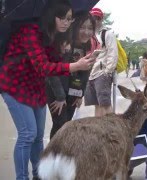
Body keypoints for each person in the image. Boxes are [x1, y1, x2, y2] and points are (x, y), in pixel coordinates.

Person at [0, 1, 95, 179]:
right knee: (28, 134)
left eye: (69, 18)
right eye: (63, 18)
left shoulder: (50, 35)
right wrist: (75, 65)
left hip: (35, 88)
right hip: (14, 86)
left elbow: (54, 62)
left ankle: (39, 175)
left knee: (38, 137)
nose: (67, 23)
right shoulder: (30, 31)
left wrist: (62, 51)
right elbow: (43, 67)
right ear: (52, 16)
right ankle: (22, 177)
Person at [46, 12, 96, 139]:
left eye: (90, 28)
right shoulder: (63, 43)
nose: (86, 32)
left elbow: (84, 73)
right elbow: (52, 72)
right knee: (60, 126)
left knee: (67, 125)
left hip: (73, 92)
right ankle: (53, 156)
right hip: (57, 92)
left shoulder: (87, 45)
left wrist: (80, 95)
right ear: (75, 27)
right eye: (82, 27)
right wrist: (60, 97)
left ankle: (61, 155)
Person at [84, 8, 118, 117]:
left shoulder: (107, 34)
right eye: (93, 18)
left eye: (98, 18)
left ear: (101, 19)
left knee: (105, 104)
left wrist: (107, 72)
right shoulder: (89, 35)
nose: (96, 20)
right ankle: (99, 131)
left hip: (102, 73)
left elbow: (113, 53)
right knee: (96, 104)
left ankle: (111, 130)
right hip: (91, 74)